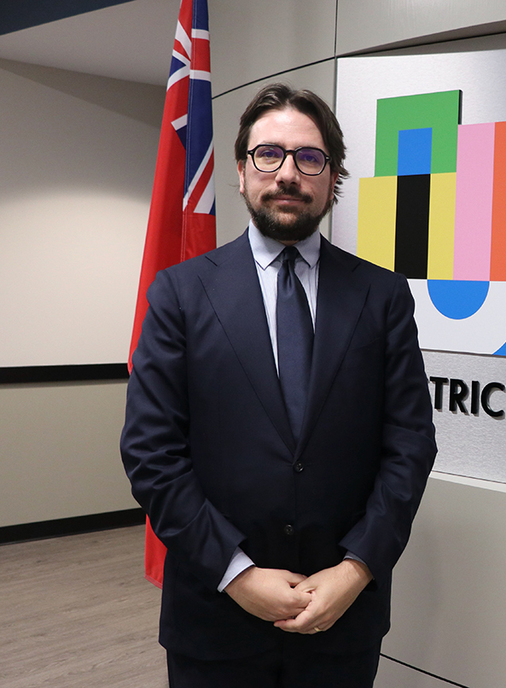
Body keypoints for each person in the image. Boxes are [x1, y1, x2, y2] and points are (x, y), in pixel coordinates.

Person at [121, 83, 436, 687]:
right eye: (269, 155)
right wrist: (238, 573)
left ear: (332, 177)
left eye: (309, 158)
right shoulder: (180, 295)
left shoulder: (383, 297)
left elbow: (410, 446)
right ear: (240, 172)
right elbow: (151, 454)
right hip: (215, 619)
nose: (288, 173)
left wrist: (357, 569)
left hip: (341, 616)